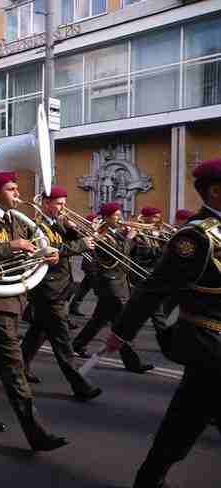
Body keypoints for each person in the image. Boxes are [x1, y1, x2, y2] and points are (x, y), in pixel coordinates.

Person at [106, 158, 221, 488]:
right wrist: (122, 332)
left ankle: (150, 478)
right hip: (208, 341)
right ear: (214, 192)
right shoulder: (196, 238)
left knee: (188, 416)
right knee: (187, 418)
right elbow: (155, 287)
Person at [0, 171, 68, 451]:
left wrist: (49, 254)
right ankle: (35, 432)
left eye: (17, 189)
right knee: (13, 364)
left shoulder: (19, 221)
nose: (18, 194)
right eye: (12, 189)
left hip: (16, 297)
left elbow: (36, 249)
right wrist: (11, 245)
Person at [20, 186, 102, 400]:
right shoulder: (35, 226)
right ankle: (80, 385)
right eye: (59, 204)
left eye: (64, 204)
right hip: (47, 289)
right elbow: (48, 253)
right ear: (46, 204)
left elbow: (75, 241)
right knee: (62, 340)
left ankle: (19, 368)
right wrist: (79, 245)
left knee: (37, 333)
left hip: (60, 287)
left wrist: (76, 230)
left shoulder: (58, 223)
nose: (64, 208)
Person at [71, 202, 154, 374]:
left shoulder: (115, 233)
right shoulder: (102, 235)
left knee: (99, 320)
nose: (119, 218)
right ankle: (133, 363)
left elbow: (136, 252)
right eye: (115, 216)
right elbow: (117, 255)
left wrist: (138, 239)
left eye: (119, 215)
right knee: (123, 324)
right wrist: (129, 238)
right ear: (106, 217)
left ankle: (77, 344)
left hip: (118, 282)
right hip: (111, 284)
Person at [68, 213, 98, 317]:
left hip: (93, 264)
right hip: (90, 264)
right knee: (100, 290)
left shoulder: (96, 231)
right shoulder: (85, 232)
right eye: (95, 221)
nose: (97, 223)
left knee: (84, 287)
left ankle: (73, 306)